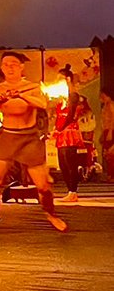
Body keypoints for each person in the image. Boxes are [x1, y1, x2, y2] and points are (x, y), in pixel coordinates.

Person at [0, 51, 67, 236]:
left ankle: (51, 214)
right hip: (7, 137)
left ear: (21, 67)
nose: (9, 67)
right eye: (6, 64)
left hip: (29, 139)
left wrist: (21, 96)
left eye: (14, 64)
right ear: (1, 68)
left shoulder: (32, 87)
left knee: (43, 186)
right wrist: (1, 100)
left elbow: (41, 104)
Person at [54, 65, 86, 203]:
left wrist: (60, 128)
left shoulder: (73, 95)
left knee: (70, 163)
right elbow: (59, 116)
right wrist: (55, 129)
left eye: (60, 79)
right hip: (61, 133)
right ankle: (69, 191)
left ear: (67, 79)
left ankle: (73, 191)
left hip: (69, 132)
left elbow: (71, 115)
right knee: (62, 164)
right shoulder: (60, 99)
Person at [100, 88, 114, 181]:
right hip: (106, 130)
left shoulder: (111, 104)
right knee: (107, 154)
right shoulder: (105, 105)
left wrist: (110, 131)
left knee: (111, 153)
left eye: (103, 95)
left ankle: (112, 175)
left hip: (111, 130)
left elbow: (113, 118)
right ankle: (110, 174)